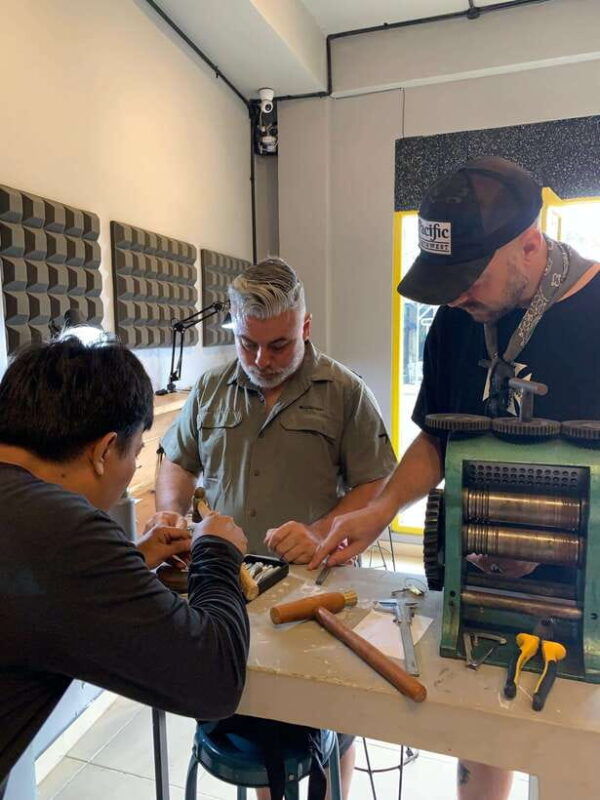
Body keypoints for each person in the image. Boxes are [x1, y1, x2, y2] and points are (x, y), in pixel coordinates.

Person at [308, 156, 600, 800]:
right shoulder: (456, 320)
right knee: (480, 742)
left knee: (568, 770)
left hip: (585, 597)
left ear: (529, 243)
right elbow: (439, 438)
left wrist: (540, 538)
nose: (459, 297)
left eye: (472, 277)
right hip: (478, 580)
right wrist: (377, 510)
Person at [149, 257, 398, 798]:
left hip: (313, 588)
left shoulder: (345, 392)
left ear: (305, 327)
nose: (261, 359)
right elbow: (174, 458)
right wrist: (168, 512)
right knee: (256, 715)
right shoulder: (212, 388)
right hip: (226, 585)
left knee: (326, 720)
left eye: (279, 345)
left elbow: (377, 487)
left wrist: (322, 529)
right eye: (247, 343)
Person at [0, 335, 249, 798]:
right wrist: (217, 551)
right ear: (103, 450)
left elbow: (25, 585)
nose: (133, 467)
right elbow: (213, 680)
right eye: (135, 455)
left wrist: (128, 559)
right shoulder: (67, 529)